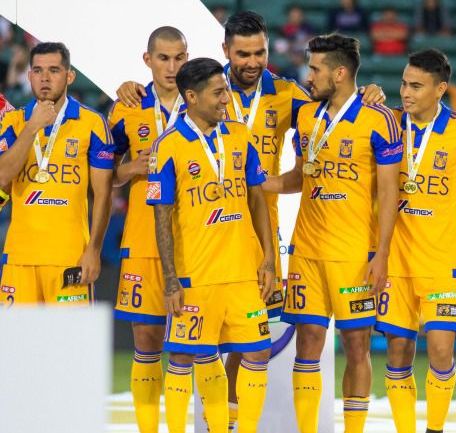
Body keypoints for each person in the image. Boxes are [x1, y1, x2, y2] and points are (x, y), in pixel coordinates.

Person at [116, 12, 387, 431]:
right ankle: (214, 422)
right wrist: (133, 88)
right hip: (196, 248)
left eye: (260, 52)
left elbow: (335, 106)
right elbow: (157, 105)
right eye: (243, 53)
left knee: (250, 347)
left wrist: (368, 91)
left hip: (255, 246)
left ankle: (234, 422)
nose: (252, 61)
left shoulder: (288, 95)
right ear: (225, 52)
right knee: (191, 349)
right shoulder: (200, 89)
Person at [261, 33, 401, 433]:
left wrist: (382, 254)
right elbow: (300, 176)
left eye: (316, 68)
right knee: (307, 344)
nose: (309, 75)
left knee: (357, 346)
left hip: (355, 253)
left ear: (339, 73)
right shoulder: (307, 116)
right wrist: (264, 183)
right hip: (306, 250)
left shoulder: (379, 118)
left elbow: (390, 192)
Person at [148, 57, 276, 433]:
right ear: (191, 96)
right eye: (218, 92)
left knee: (257, 351)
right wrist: (171, 280)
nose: (226, 99)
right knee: (189, 355)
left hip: (241, 272)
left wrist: (268, 259)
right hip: (196, 276)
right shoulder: (167, 147)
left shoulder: (239, 135)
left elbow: (257, 200)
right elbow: (161, 216)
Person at [377, 48, 456, 433]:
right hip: (396, 263)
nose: (406, 92)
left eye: (416, 86)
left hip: (441, 262)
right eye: (403, 83)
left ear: (440, 89)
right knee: (398, 352)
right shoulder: (387, 127)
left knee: (440, 349)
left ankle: (434, 428)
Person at [108, 26, 188, 433]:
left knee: (186, 348)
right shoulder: (127, 106)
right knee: (146, 343)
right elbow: (106, 177)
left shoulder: (203, 102)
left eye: (178, 58)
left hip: (193, 244)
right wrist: (132, 168)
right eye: (163, 58)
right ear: (147, 60)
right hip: (142, 240)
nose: (171, 67)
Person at [0, 42, 114, 306]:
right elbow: (2, 177)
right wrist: (32, 128)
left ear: (70, 76)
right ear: (29, 76)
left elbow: (103, 194)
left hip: (70, 258)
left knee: (69, 346)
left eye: (54, 70)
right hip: (19, 259)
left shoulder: (92, 124)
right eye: (38, 71)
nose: (45, 78)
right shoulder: (14, 122)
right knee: (17, 345)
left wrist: (93, 251)